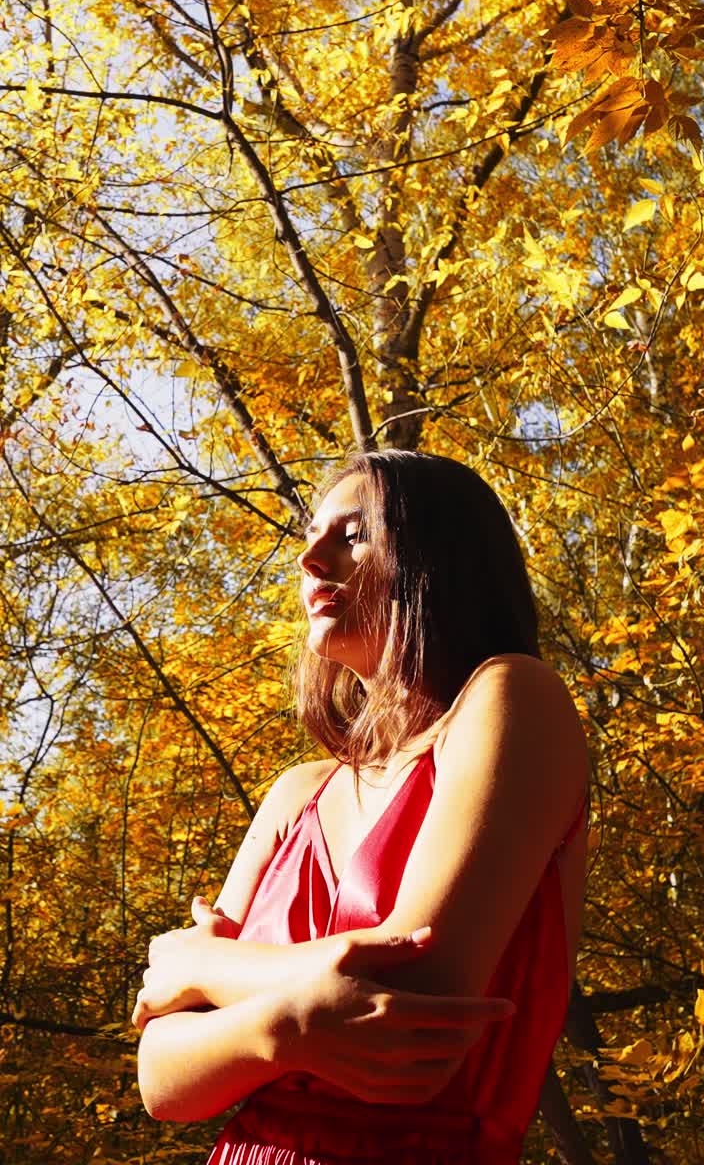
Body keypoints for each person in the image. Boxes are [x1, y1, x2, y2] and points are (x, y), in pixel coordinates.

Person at [132, 450, 589, 1164]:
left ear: (439, 558)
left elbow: (417, 998)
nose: (311, 558)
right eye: (312, 535)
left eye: (354, 536)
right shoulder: (296, 793)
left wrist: (202, 964)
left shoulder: (515, 698)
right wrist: (282, 1028)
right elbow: (162, 1081)